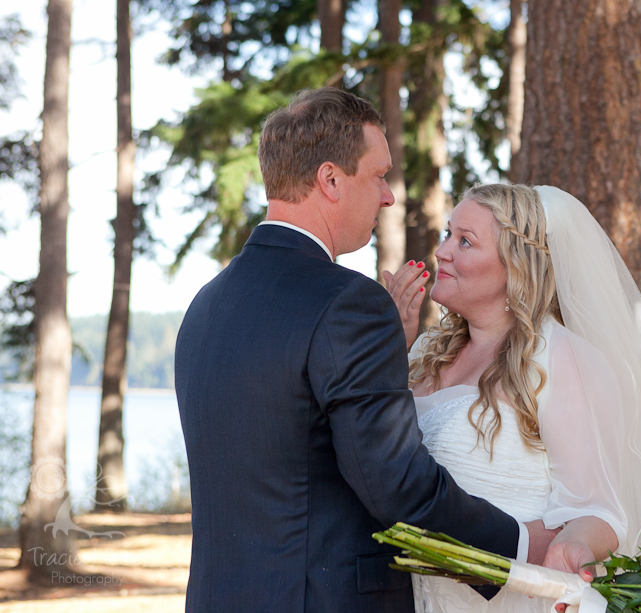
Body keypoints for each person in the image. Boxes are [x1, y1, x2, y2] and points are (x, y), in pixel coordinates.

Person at [174, 89, 558, 613]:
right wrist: (519, 546)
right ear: (330, 180)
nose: (389, 197)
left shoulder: (207, 305)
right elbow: (399, 485)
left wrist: (385, 357)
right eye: (378, 176)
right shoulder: (347, 304)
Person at [385, 184, 641, 613]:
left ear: (515, 265)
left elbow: (599, 510)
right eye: (448, 234)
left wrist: (573, 542)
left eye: (465, 241)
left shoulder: (561, 359)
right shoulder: (424, 352)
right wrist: (391, 349)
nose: (442, 251)